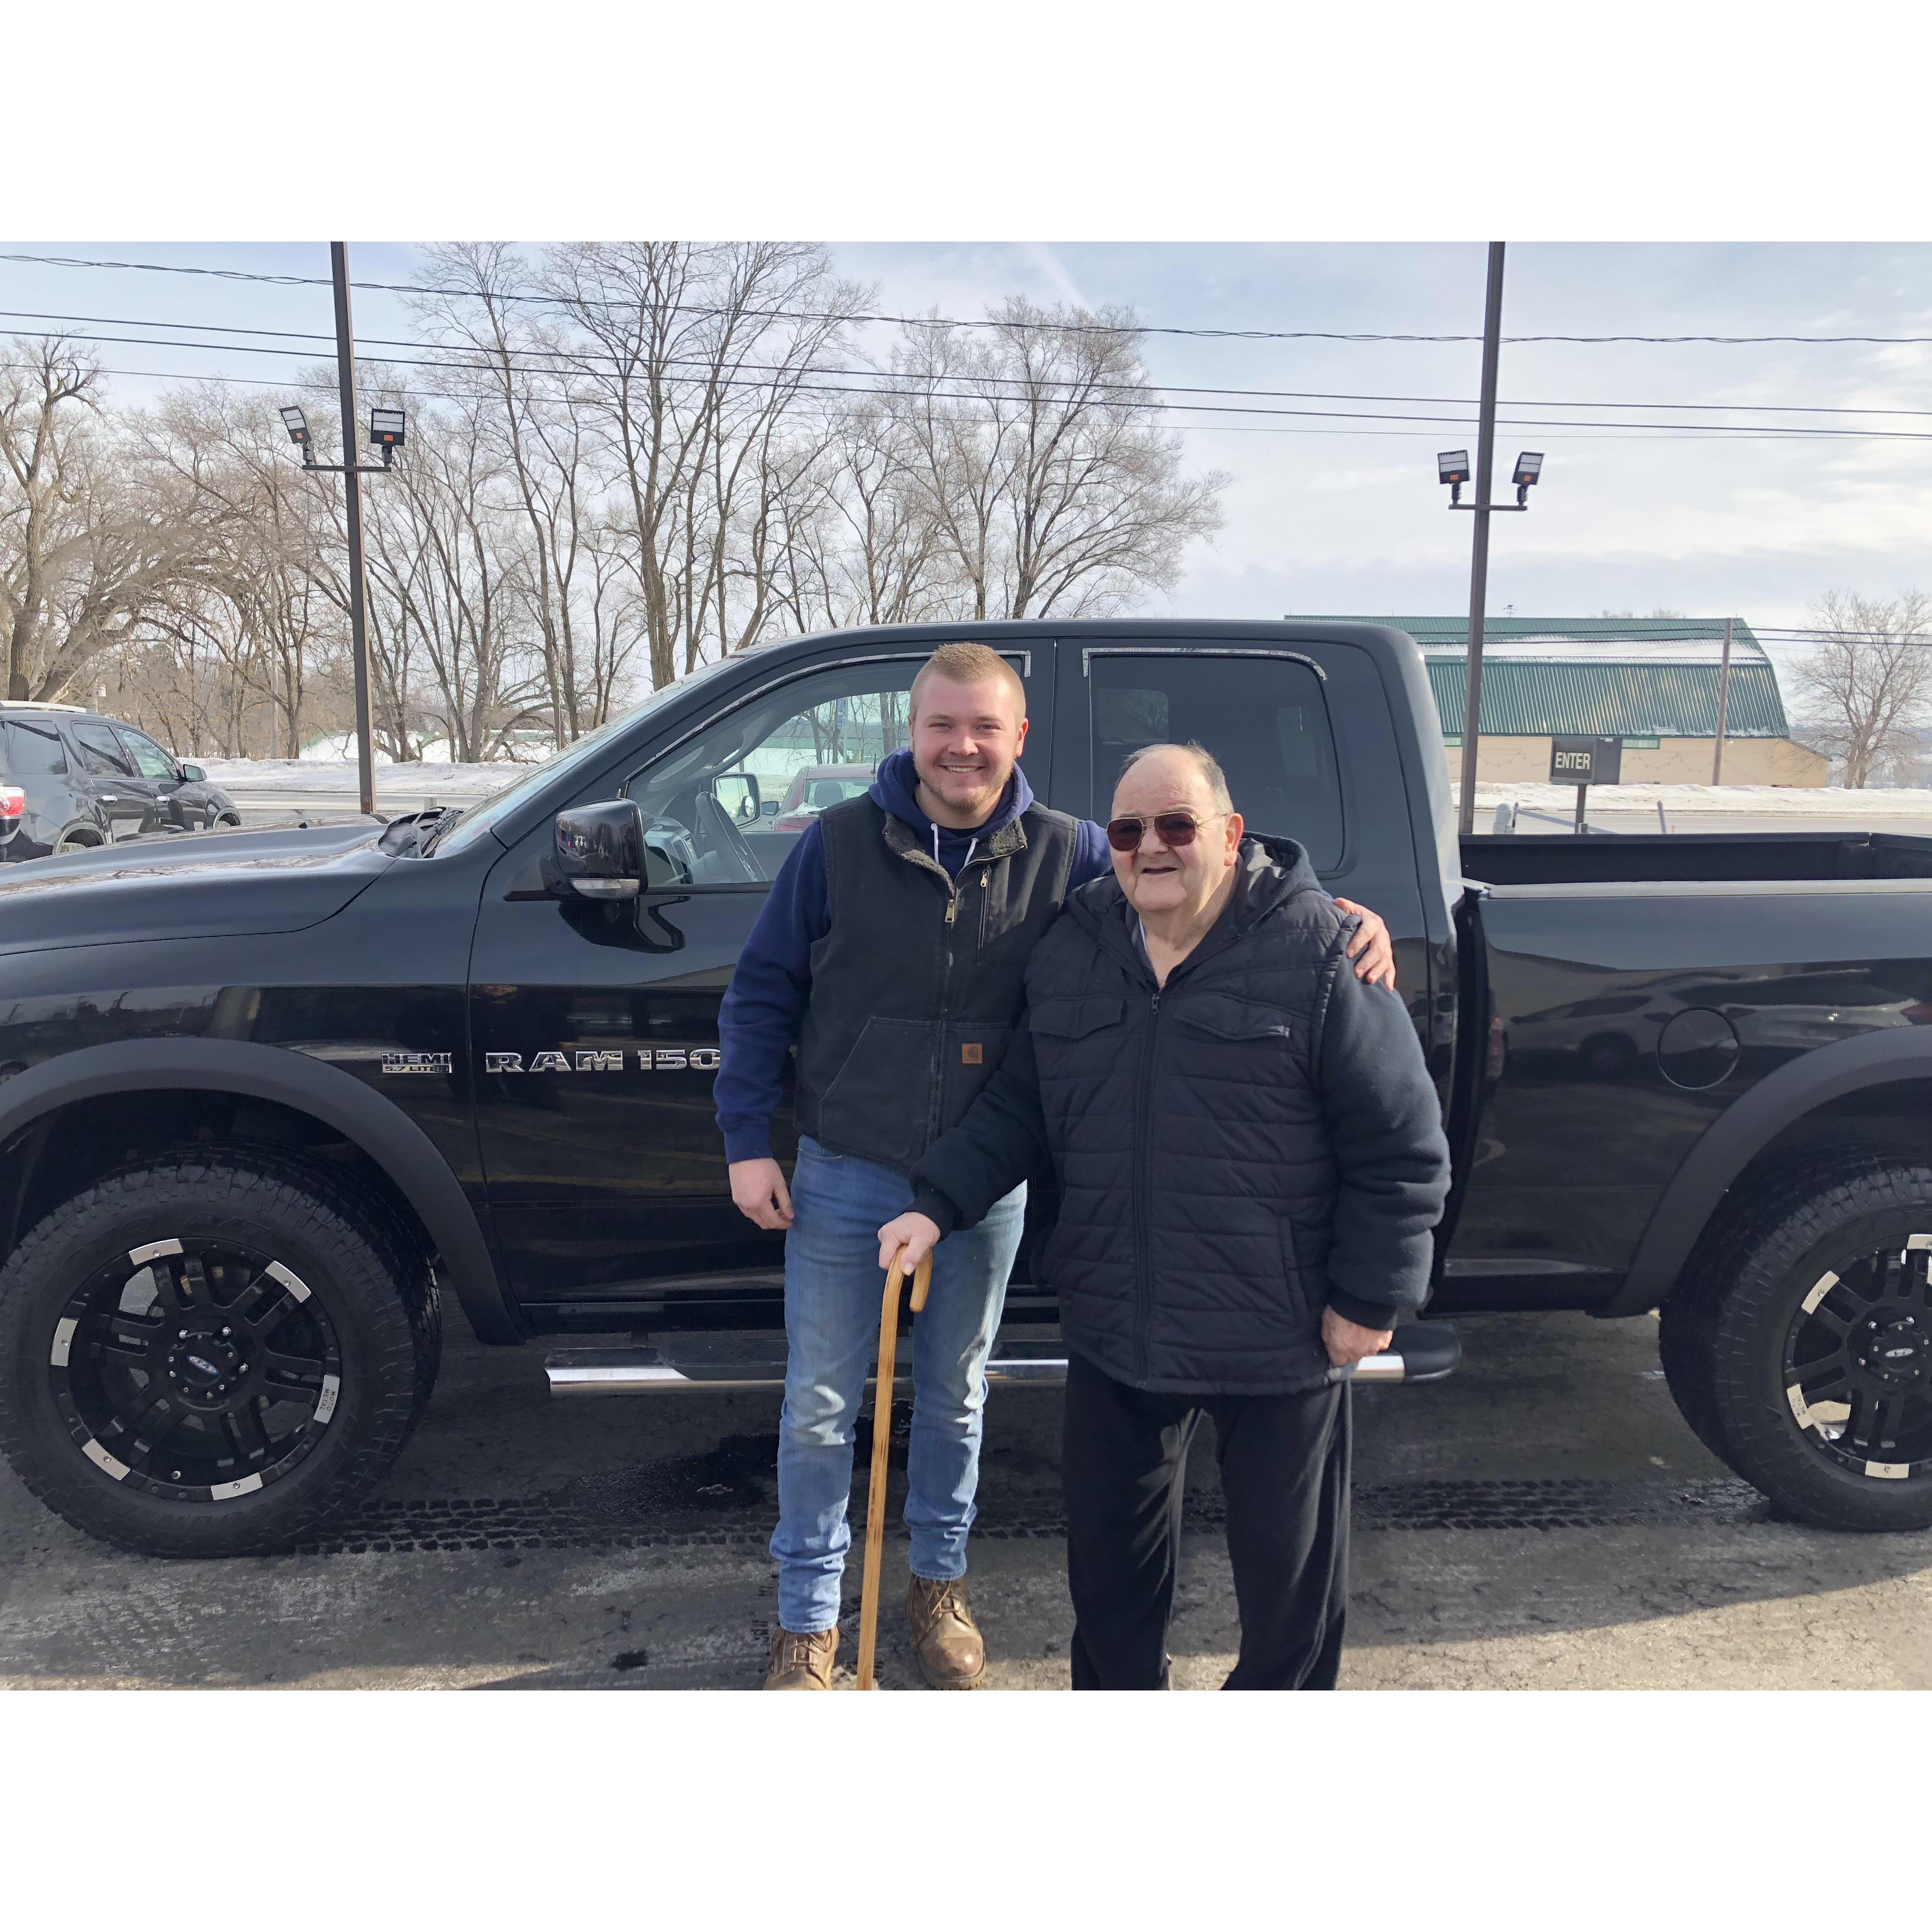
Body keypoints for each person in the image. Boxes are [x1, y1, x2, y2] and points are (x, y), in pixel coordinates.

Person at [715, 645, 1397, 1690]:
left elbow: (1210, 882)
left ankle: (936, 1593)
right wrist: (745, 1138)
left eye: (983, 727)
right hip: (847, 1169)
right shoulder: (838, 843)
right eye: (942, 725)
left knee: (952, 1398)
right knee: (819, 1402)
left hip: (984, 1192)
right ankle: (808, 1626)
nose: (961, 746)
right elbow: (761, 986)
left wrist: (1329, 908)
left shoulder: (1075, 851)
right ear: (913, 731)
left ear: (1018, 738)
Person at [877, 741, 1451, 1690]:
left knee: (1288, 1594)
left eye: (1177, 826)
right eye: (1131, 829)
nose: (1152, 846)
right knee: (1108, 1591)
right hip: (1118, 1326)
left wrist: (1372, 1295)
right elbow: (1021, 1105)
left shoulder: (1320, 952)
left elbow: (1399, 1138)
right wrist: (935, 1204)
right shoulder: (1074, 950)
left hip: (1279, 1328)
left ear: (1228, 836)